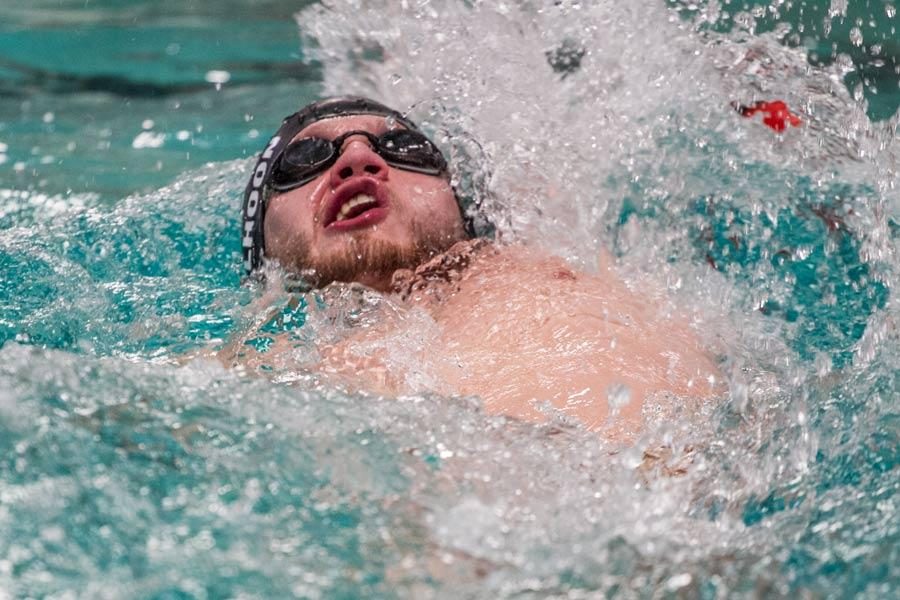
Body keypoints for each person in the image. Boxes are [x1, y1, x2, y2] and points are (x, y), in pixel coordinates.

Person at [231, 96, 721, 437]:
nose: (358, 160)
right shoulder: (249, 379)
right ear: (264, 244)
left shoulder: (558, 263)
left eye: (405, 148)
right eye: (305, 158)